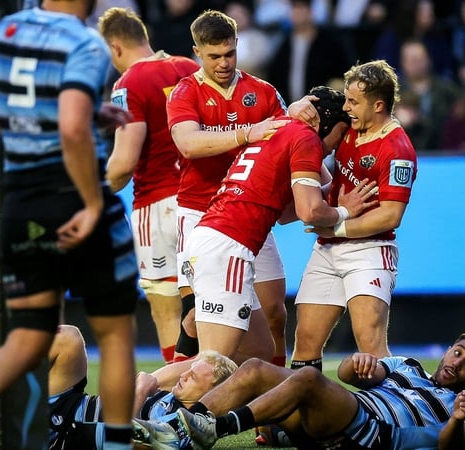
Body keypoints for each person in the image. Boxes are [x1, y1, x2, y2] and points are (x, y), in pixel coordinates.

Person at [0, 1, 139, 449]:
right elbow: (72, 129)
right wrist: (93, 204)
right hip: (74, 197)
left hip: (21, 201)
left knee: (28, 336)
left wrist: (88, 119)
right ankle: (116, 445)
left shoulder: (3, 33)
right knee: (115, 335)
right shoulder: (85, 43)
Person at [181, 86, 374, 363]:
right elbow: (309, 212)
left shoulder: (280, 127)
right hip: (229, 247)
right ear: (323, 123)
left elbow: (286, 213)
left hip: (213, 236)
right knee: (212, 364)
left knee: (259, 350)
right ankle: (143, 392)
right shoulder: (306, 138)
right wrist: (344, 210)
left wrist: (331, 197)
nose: (338, 143)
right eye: (341, 133)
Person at [166, 9, 294, 366]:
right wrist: (244, 134)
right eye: (214, 56)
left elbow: (288, 140)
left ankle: (273, 409)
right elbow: (188, 144)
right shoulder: (184, 92)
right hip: (199, 214)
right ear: (197, 52)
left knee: (275, 312)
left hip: (250, 213)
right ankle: (171, 400)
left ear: (237, 45)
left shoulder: (263, 92)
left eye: (229, 54)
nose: (223, 63)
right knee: (195, 318)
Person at [142, 332, 465, 450]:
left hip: (370, 435)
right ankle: (174, 430)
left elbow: (446, 444)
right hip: (344, 413)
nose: (458, 362)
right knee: (254, 370)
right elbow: (348, 376)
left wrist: (459, 419)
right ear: (450, 349)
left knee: (309, 379)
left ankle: (215, 429)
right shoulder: (406, 365)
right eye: (458, 351)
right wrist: (357, 364)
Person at [291, 60, 417, 371]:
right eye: (347, 99)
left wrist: (338, 226)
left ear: (378, 105)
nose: (346, 107)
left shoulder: (397, 150)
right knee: (306, 340)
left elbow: (390, 216)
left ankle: (407, 408)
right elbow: (301, 115)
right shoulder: (349, 124)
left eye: (353, 101)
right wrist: (296, 105)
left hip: (370, 251)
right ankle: (305, 418)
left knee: (370, 344)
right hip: (327, 248)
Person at [98, 7, 200, 365]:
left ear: (115, 47)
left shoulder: (128, 84)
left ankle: (177, 401)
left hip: (158, 206)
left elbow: (124, 164)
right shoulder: (191, 68)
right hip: (204, 203)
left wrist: (87, 194)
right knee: (211, 307)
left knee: (167, 310)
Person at [46, 325, 237, 449]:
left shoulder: (182, 424)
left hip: (67, 435)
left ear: (210, 393)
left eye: (192, 377)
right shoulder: (177, 393)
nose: (183, 375)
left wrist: (140, 391)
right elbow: (195, 363)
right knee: (68, 337)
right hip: (72, 404)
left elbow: (125, 442)